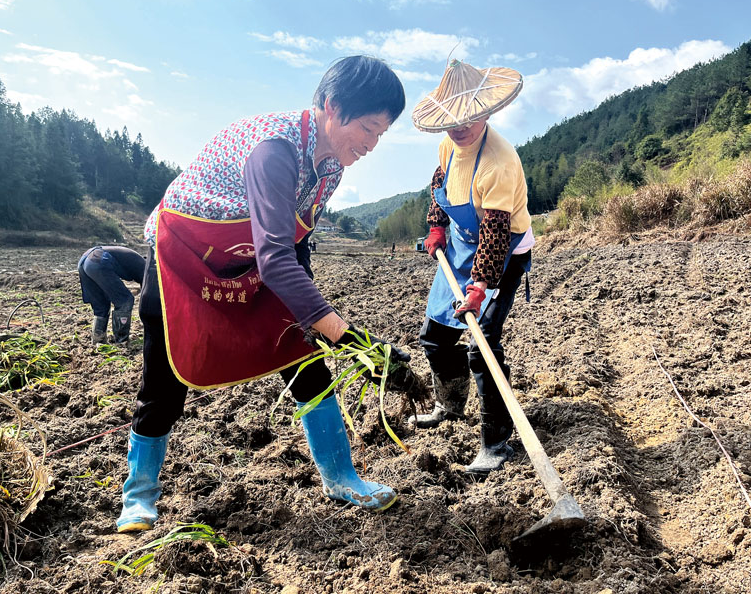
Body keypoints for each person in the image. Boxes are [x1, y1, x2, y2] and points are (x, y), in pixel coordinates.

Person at [116, 56, 409, 533]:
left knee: (303, 356)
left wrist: (311, 322)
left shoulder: (330, 168)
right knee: (166, 377)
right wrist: (345, 334)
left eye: (381, 135)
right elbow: (276, 258)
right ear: (333, 107)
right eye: (368, 129)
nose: (372, 145)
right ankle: (139, 497)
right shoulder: (275, 149)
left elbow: (294, 244)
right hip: (182, 258)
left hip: (248, 258)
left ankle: (342, 477)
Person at [409, 60, 535, 475]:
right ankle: (448, 404)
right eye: (453, 119)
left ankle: (496, 443)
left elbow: (497, 236)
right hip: (463, 247)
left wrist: (480, 289)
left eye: (470, 116)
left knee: (482, 347)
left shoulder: (499, 162)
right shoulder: (448, 146)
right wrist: (435, 226)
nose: (461, 126)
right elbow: (439, 183)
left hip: (503, 254)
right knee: (435, 338)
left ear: (486, 109)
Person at [77, 246, 145, 345]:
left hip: (85, 261)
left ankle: (98, 340)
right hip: (99, 260)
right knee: (125, 300)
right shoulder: (146, 269)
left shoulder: (136, 260)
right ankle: (122, 341)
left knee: (101, 305)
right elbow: (147, 292)